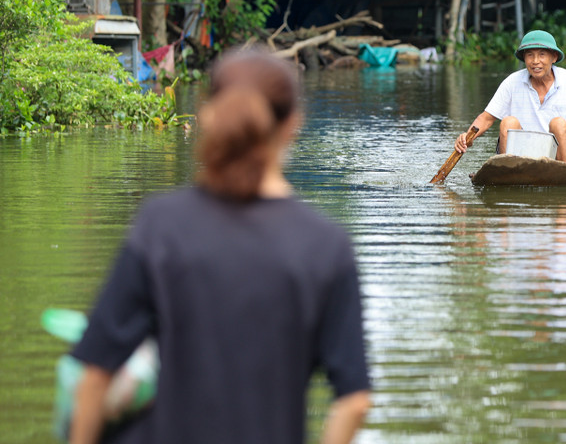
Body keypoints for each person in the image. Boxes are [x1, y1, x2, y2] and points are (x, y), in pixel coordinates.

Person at [69, 49, 371, 444]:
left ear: (208, 116)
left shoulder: (162, 226)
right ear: (293, 125)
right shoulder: (325, 245)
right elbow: (353, 401)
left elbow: (95, 373)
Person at [454, 30, 566, 165]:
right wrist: (467, 137)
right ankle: (508, 171)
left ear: (554, 57)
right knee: (508, 122)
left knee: (558, 123)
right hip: (523, 156)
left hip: (562, 157)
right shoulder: (512, 82)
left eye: (542, 55)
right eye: (530, 55)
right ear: (524, 59)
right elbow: (486, 118)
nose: (535, 61)